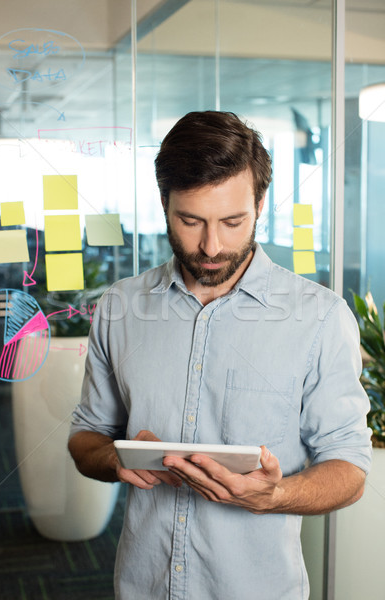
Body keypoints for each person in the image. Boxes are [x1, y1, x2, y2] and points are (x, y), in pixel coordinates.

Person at [68, 111, 372, 600]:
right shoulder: (119, 308)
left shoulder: (319, 318)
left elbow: (350, 469)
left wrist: (276, 496)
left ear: (260, 204)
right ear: (164, 204)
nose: (211, 246)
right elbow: (85, 439)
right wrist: (116, 458)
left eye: (233, 222)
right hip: (141, 586)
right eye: (190, 221)